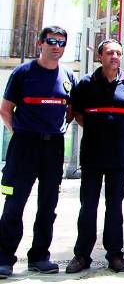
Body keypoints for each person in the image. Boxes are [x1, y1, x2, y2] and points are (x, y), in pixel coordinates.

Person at [0, 26, 76, 277]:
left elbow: (70, 110)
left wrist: (58, 129)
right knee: (14, 204)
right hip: (24, 146)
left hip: (52, 146)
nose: (57, 46)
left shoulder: (67, 76)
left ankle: (40, 256)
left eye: (61, 43)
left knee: (48, 205)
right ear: (40, 43)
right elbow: (5, 108)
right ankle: (5, 259)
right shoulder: (23, 73)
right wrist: (17, 132)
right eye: (52, 41)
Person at [65, 39, 124, 274]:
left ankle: (115, 255)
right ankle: (81, 256)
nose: (115, 57)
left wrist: (114, 132)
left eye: (118, 53)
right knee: (88, 206)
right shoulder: (86, 83)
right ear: (100, 57)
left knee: (115, 207)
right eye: (109, 53)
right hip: (92, 155)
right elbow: (77, 114)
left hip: (119, 155)